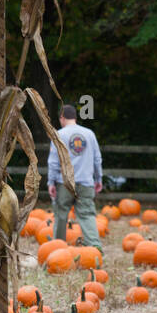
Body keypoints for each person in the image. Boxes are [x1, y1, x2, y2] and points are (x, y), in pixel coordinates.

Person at [47, 103, 102, 247]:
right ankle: (96, 249)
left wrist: (51, 182)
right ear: (75, 118)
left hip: (65, 183)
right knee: (87, 215)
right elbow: (97, 159)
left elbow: (53, 162)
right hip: (85, 182)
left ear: (62, 117)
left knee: (61, 215)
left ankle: (57, 248)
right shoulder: (89, 134)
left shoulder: (59, 135)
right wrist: (98, 178)